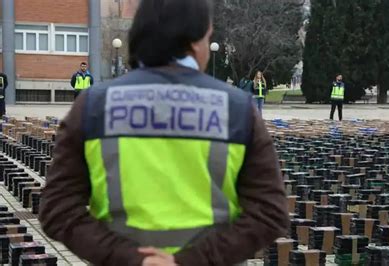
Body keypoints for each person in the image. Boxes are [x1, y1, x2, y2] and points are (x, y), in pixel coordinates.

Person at [39, 0, 289, 266]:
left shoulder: (93, 105)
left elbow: (58, 209)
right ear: (194, 42)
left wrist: (131, 258)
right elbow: (269, 213)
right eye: (208, 37)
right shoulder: (237, 108)